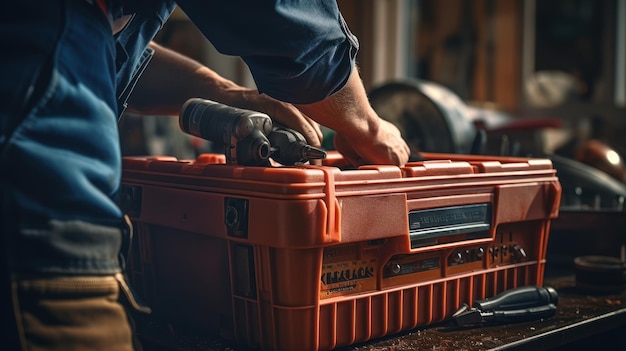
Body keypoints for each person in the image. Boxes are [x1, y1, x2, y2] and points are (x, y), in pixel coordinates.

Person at [0, 1, 410, 350]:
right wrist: (368, 127)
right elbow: (285, 15)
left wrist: (226, 92)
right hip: (32, 195)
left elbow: (112, 51)